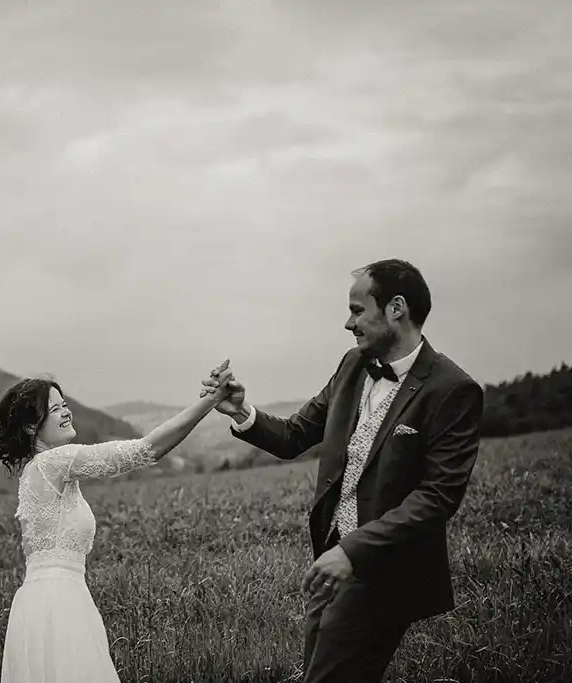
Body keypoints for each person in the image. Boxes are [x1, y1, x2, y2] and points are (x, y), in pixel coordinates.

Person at [201, 259, 484, 682]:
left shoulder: (452, 390)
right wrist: (241, 411)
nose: (348, 323)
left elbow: (437, 497)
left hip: (385, 572)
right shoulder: (352, 365)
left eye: (357, 310)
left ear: (396, 309)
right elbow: (294, 435)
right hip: (330, 563)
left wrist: (353, 550)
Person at [0, 360, 235, 683]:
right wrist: (210, 401)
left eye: (65, 405)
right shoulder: (54, 462)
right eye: (55, 409)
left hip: (43, 602)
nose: (66, 412)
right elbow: (145, 450)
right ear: (30, 428)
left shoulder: (38, 471)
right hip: (58, 602)